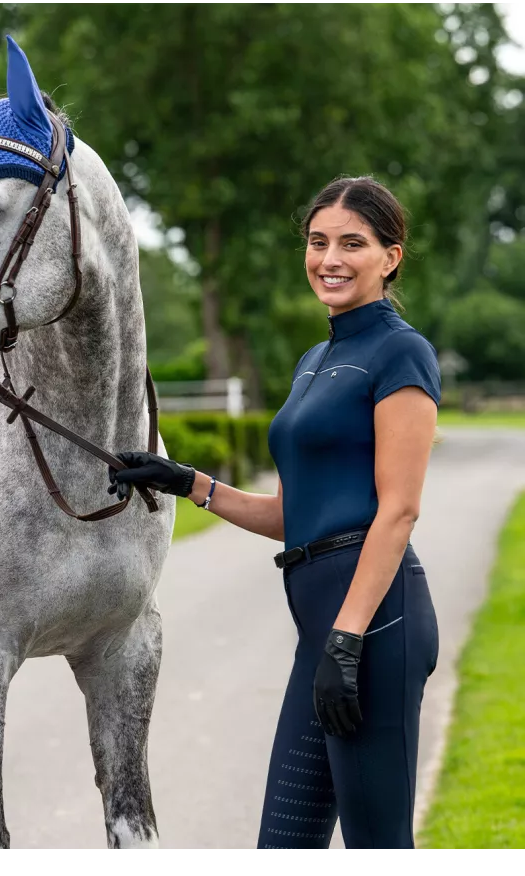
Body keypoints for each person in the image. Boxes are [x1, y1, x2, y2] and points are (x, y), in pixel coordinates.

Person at [108, 176, 441, 854]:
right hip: (324, 633)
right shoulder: (314, 361)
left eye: (352, 244)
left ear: (391, 257)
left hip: (374, 627)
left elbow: (399, 511)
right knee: (282, 851)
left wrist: (347, 638)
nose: (330, 259)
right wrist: (188, 482)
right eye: (318, 242)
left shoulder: (401, 352)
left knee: (379, 850)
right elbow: (294, 514)